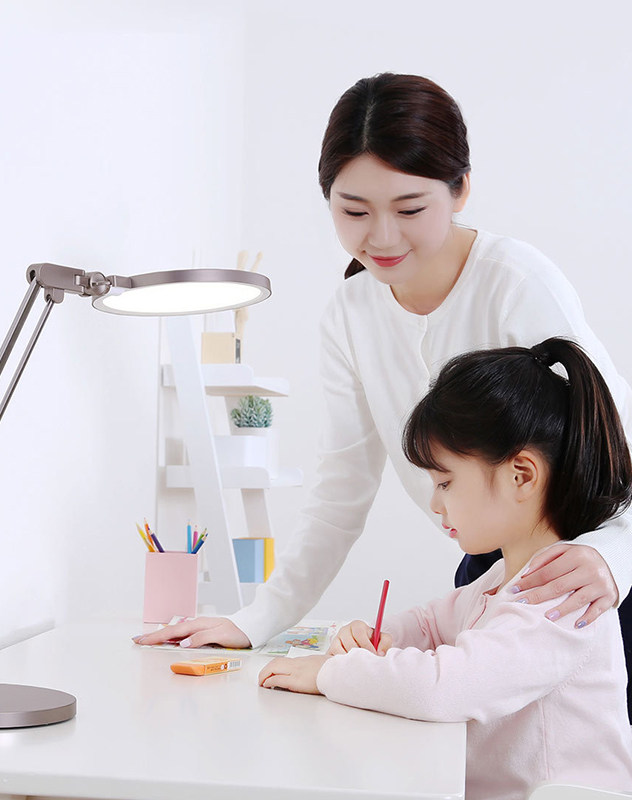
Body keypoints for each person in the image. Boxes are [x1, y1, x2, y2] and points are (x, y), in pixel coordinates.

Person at [134, 74, 632, 711]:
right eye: (354, 211)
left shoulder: (516, 283)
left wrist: (612, 554)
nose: (383, 237)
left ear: (461, 189)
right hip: (491, 569)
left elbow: (615, 442)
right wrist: (256, 621)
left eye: (410, 209)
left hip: (589, 574)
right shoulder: (350, 313)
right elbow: (340, 492)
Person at [257, 337, 632, 799]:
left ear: (521, 475)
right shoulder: (503, 576)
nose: (435, 504)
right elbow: (432, 624)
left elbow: (443, 688)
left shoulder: (561, 597)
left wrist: (329, 674)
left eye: (445, 483)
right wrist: (377, 636)